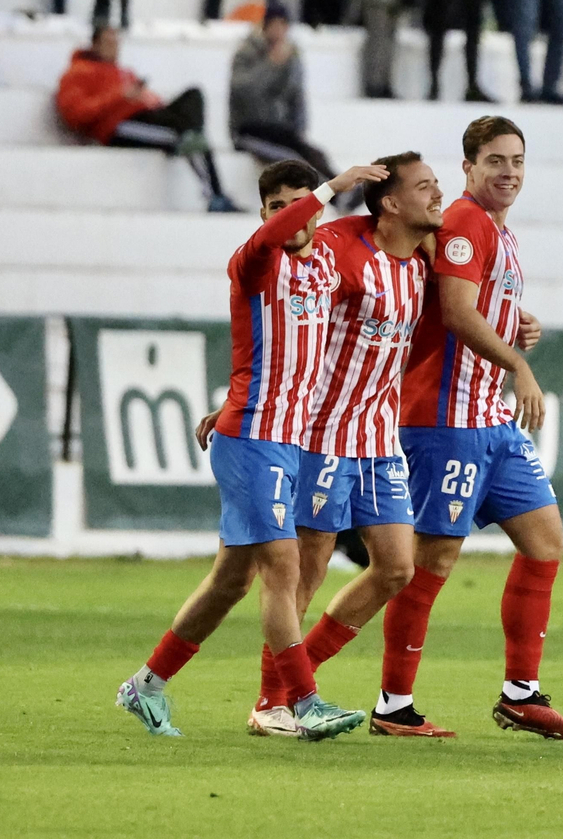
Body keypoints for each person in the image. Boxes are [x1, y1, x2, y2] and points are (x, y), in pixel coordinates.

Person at [118, 159, 385, 740]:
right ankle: (302, 702)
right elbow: (272, 239)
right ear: (263, 213)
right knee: (283, 569)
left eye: (297, 203)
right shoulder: (255, 261)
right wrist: (330, 188)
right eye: (276, 205)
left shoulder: (321, 268)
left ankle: (146, 685)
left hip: (279, 439)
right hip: (254, 441)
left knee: (230, 581)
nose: (290, 215)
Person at [376, 116, 563, 740]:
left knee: (545, 542)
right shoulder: (465, 221)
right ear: (468, 167)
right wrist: (519, 363)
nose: (509, 172)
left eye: (517, 161)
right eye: (495, 160)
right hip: (446, 420)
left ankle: (521, 693)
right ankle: (392, 704)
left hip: (489, 421)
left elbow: (478, 304)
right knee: (432, 561)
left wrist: (516, 320)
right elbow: (458, 313)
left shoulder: (498, 232)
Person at [248, 153, 444, 737]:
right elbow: (287, 294)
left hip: (380, 438)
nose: (439, 196)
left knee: (395, 568)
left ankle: (296, 683)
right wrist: (249, 391)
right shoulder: (340, 245)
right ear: (389, 201)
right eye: (427, 187)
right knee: (303, 574)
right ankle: (271, 703)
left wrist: (518, 324)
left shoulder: (421, 261)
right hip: (322, 435)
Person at [55, 24, 236, 213]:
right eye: (109, 42)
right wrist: (120, 96)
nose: (115, 47)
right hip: (119, 125)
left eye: (117, 42)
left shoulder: (122, 71)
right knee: (190, 138)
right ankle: (216, 195)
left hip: (146, 115)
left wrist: (148, 98)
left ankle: (191, 137)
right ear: (95, 44)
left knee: (193, 96)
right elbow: (75, 115)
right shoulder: (78, 73)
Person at [230, 2, 342, 196]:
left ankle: (341, 189)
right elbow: (245, 94)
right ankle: (332, 194)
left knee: (313, 153)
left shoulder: (291, 54)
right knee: (294, 161)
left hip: (281, 130)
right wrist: (271, 65)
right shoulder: (247, 53)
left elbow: (296, 97)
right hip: (251, 130)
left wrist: (298, 130)